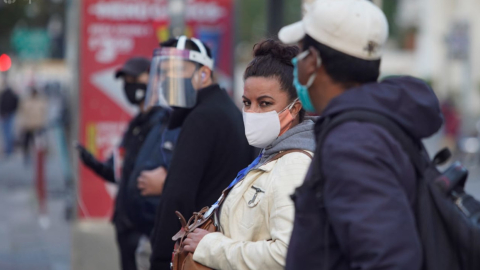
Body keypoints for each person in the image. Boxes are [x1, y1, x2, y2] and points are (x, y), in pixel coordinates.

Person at [278, 0, 443, 269]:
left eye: (301, 51)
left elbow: (389, 259)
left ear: (314, 61)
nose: (297, 62)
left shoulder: (353, 144)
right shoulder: (370, 126)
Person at [180, 39, 316, 270]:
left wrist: (211, 246)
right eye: (247, 102)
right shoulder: (272, 155)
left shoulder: (294, 164)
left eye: (264, 103)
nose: (252, 112)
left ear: (295, 107)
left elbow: (290, 255)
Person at [147, 36, 254, 270]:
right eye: (163, 72)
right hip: (219, 245)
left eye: (175, 70)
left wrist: (159, 259)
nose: (167, 79)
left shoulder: (202, 118)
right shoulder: (223, 109)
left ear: (203, 74)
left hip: (198, 252)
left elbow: (177, 197)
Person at [76, 57, 180, 270]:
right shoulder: (135, 124)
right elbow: (118, 173)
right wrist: (92, 162)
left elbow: (173, 174)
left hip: (146, 229)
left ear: (153, 80)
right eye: (126, 80)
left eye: (135, 78)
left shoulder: (166, 123)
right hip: (125, 226)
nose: (129, 84)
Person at [18, 87, 48, 164]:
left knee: (38, 144)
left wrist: (43, 123)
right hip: (29, 126)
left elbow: (44, 113)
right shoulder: (27, 101)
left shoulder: (41, 101)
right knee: (26, 143)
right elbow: (22, 113)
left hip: (38, 125)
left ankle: (38, 159)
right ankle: (27, 157)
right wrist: (22, 124)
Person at [0, 86, 19, 157]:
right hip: (9, 115)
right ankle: (9, 149)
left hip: (6, 115)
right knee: (9, 133)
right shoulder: (12, 95)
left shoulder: (4, 94)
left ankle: (9, 149)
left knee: (7, 133)